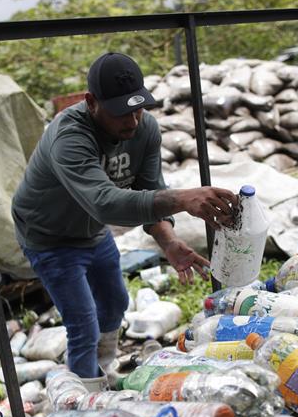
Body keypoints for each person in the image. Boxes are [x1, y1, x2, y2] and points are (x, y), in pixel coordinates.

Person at [12, 52, 237, 389]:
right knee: (83, 323)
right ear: (91, 102)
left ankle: (101, 370)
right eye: (121, 111)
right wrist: (182, 199)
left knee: (115, 302)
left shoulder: (144, 129)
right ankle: (84, 399)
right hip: (50, 236)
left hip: (91, 229)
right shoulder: (69, 136)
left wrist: (169, 242)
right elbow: (104, 204)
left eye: (138, 107)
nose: (132, 120)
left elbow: (150, 191)